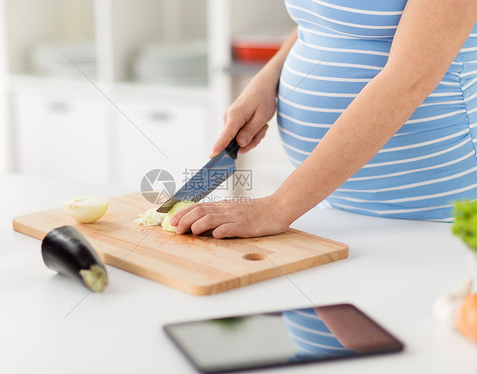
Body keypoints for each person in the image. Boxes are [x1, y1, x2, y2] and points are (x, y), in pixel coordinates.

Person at [170, 0, 477, 238]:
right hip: (332, 202)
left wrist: (279, 206)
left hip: (432, 215)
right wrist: (267, 78)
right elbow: (322, 19)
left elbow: (407, 81)